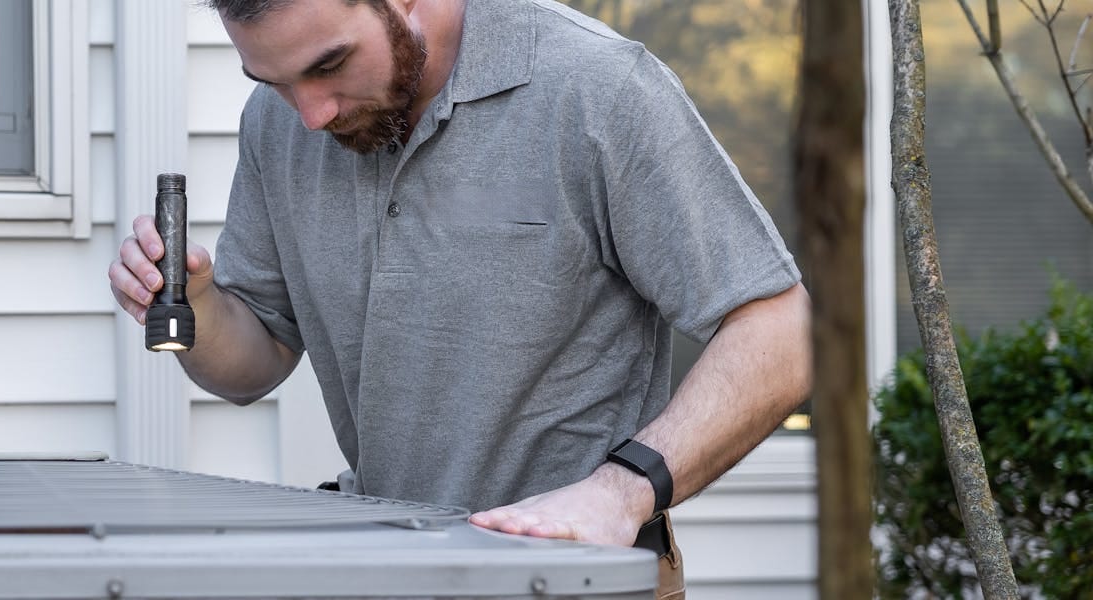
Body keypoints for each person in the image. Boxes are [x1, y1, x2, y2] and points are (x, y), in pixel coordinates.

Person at [105, 0, 811, 596]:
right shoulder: (277, 121)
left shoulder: (598, 89)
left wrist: (621, 492)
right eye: (275, 79)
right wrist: (194, 302)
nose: (312, 114)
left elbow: (780, 332)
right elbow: (257, 358)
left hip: (572, 578)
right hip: (388, 572)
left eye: (329, 66)